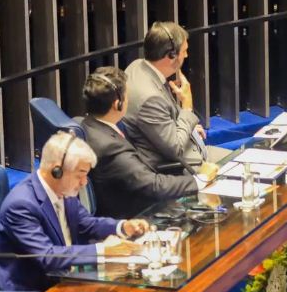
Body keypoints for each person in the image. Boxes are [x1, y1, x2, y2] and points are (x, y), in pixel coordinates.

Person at [0, 132, 149, 292]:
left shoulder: (63, 191)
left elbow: (86, 224)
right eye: (79, 175)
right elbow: (47, 257)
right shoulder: (21, 205)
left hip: (65, 277)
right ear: (57, 171)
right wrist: (104, 250)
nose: (84, 182)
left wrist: (123, 227)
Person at [81, 67, 216, 219]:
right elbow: (153, 186)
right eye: (127, 95)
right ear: (118, 104)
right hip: (137, 216)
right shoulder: (109, 147)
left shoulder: (89, 124)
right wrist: (200, 180)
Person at [123, 22, 230, 171]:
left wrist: (188, 127)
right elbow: (176, 149)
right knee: (247, 166)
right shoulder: (150, 99)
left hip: (190, 150)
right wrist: (187, 108)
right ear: (171, 55)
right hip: (184, 168)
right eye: (184, 51)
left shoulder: (137, 65)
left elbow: (161, 122)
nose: (186, 55)